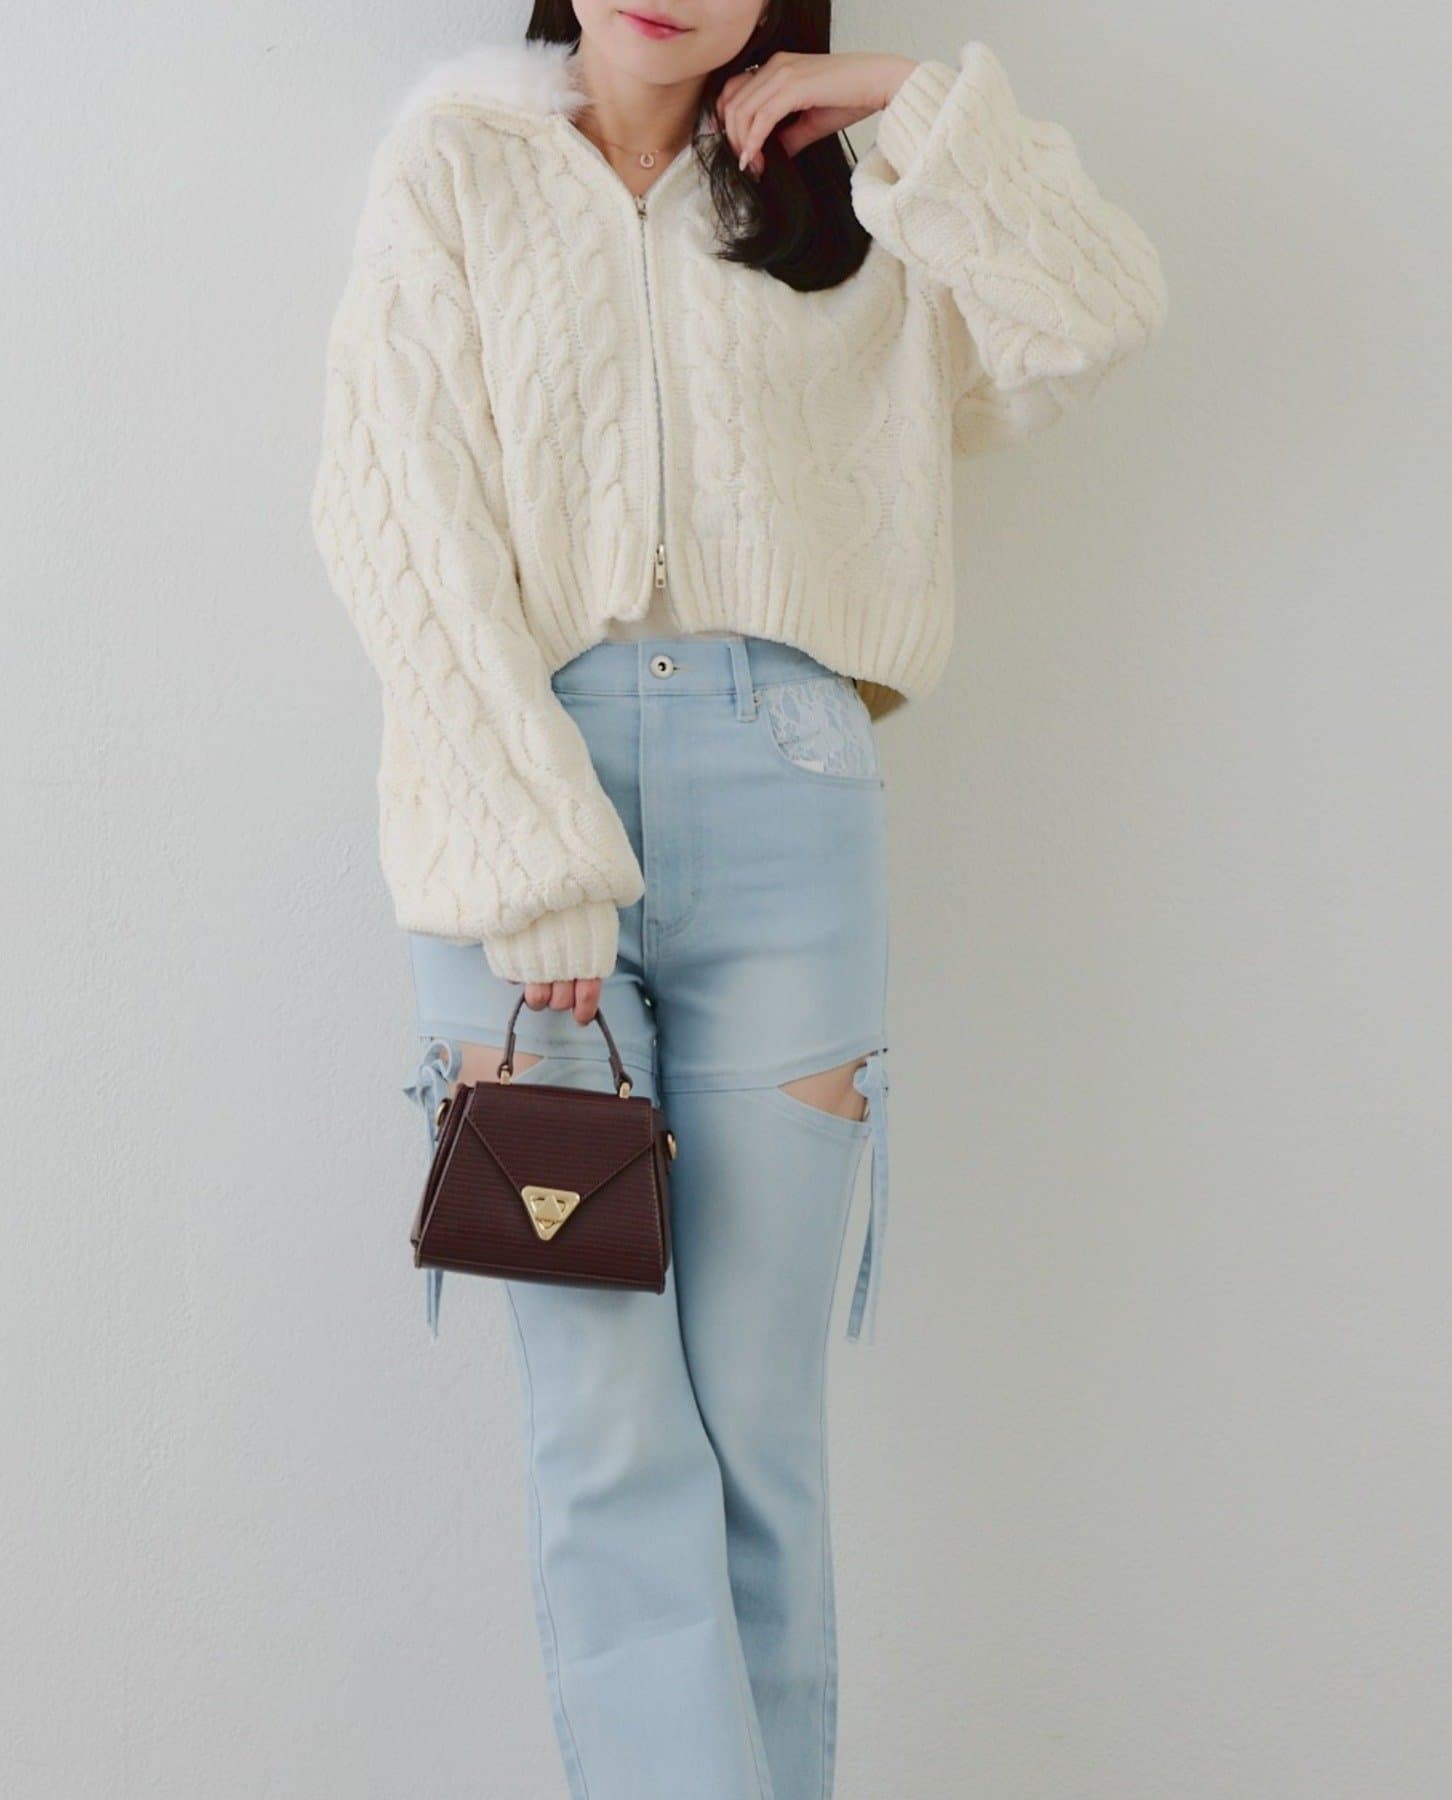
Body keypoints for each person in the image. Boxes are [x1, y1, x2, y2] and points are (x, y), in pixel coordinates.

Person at [308, 4, 1167, 1792]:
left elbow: (1093, 311)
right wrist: (536, 870)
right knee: (609, 1438)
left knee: (758, 1436)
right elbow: (396, 525)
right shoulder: (454, 166)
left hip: (788, 805)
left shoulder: (843, 195)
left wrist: (908, 107)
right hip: (514, 818)